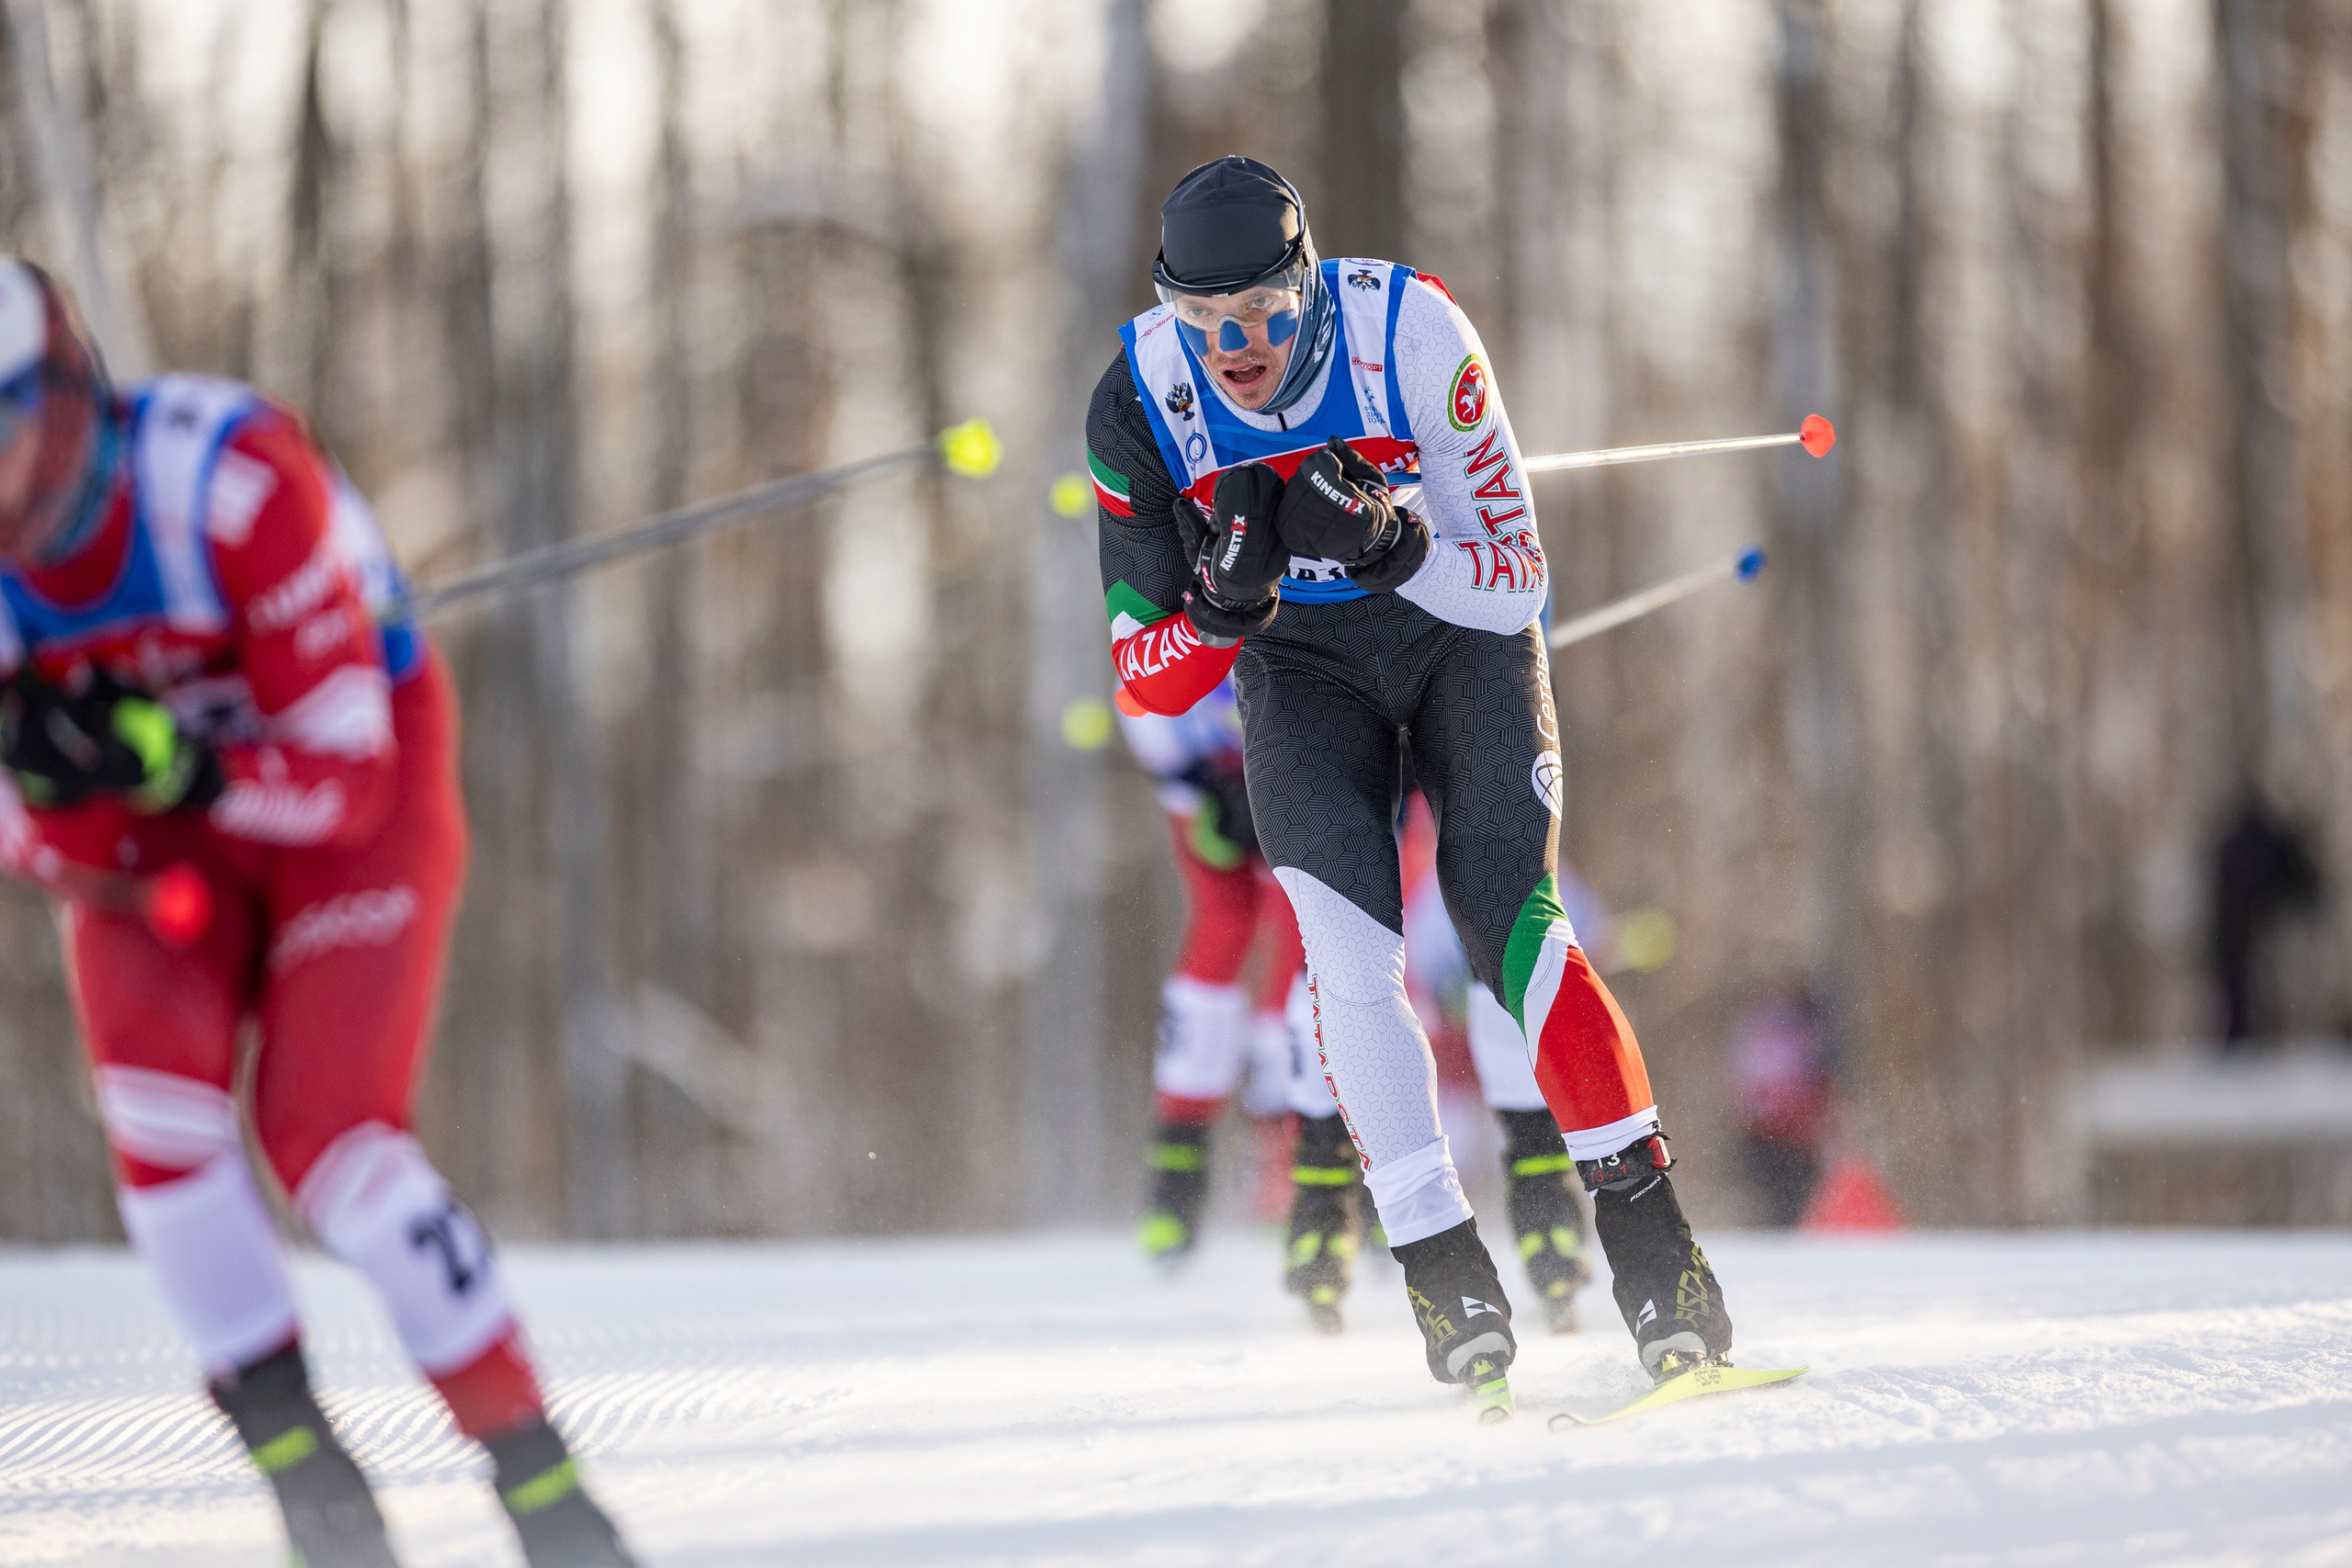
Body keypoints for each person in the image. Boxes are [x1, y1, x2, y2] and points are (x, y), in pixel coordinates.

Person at [0, 258, 633, 1567]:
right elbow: (29, 843)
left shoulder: (229, 484)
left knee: (331, 1138)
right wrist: (58, 786)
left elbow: (347, 783)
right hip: (158, 839)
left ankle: (546, 1490)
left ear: (56, 402)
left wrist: (180, 761)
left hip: (349, 795)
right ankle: (307, 1476)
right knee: (159, 1119)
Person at [1085, 158, 1733, 1399]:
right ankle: (1442, 1268)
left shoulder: (1412, 332)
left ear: (1308, 285)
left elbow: (1520, 580)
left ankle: (1660, 1258)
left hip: (1457, 642)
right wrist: (1218, 610)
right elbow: (1143, 678)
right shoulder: (1137, 400)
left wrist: (1393, 543)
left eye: (1265, 312)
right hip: (1297, 671)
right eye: (1204, 320)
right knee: (1344, 955)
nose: (1236, 348)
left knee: (1507, 920)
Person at [1280, 793, 1593, 1335]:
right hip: (1385, 870)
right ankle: (1325, 1206)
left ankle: (1544, 1210)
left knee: (1501, 958)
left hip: (1429, 891)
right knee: (1331, 973)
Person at [1118, 674, 1302, 1261]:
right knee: (1223, 927)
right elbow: (1139, 690)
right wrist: (1195, 783)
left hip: (1296, 764)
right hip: (1203, 770)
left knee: (1299, 930)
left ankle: (1288, 1151)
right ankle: (1178, 1173)